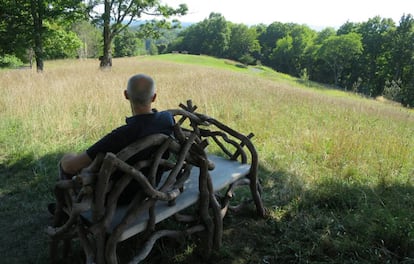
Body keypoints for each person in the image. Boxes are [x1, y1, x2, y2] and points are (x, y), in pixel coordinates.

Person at [50, 74, 174, 212]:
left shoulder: (120, 136)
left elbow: (71, 167)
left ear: (126, 95)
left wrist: (66, 158)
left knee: (67, 162)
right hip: (150, 185)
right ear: (154, 97)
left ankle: (66, 207)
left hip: (118, 195)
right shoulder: (167, 119)